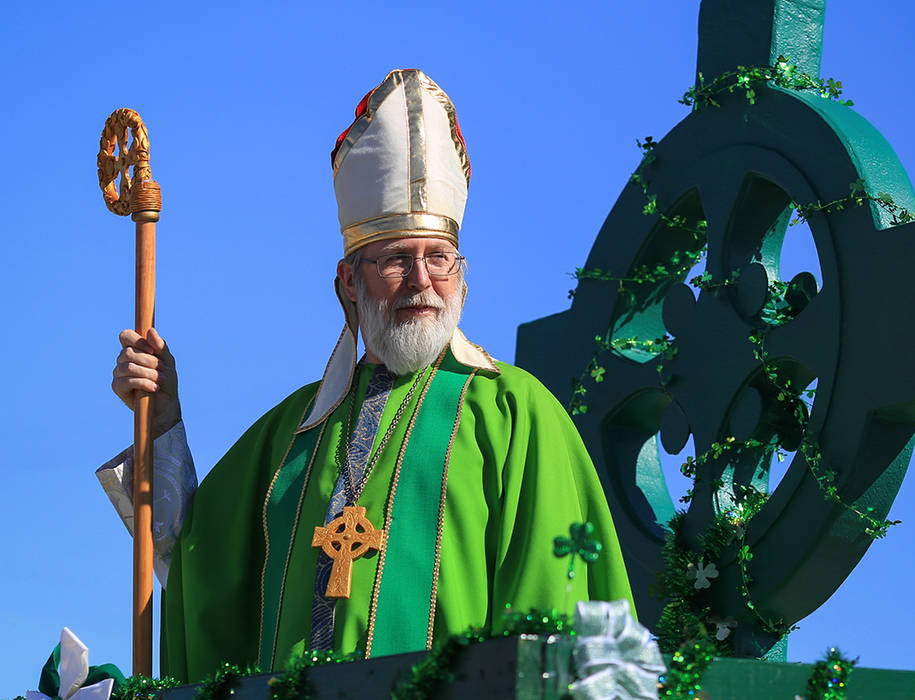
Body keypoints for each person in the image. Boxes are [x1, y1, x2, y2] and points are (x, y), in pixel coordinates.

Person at [99, 69, 634, 683]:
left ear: (462, 275)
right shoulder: (291, 435)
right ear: (348, 283)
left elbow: (559, 609)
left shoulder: (516, 414)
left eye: (439, 257)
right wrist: (161, 416)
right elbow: (197, 562)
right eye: (396, 259)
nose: (422, 280)